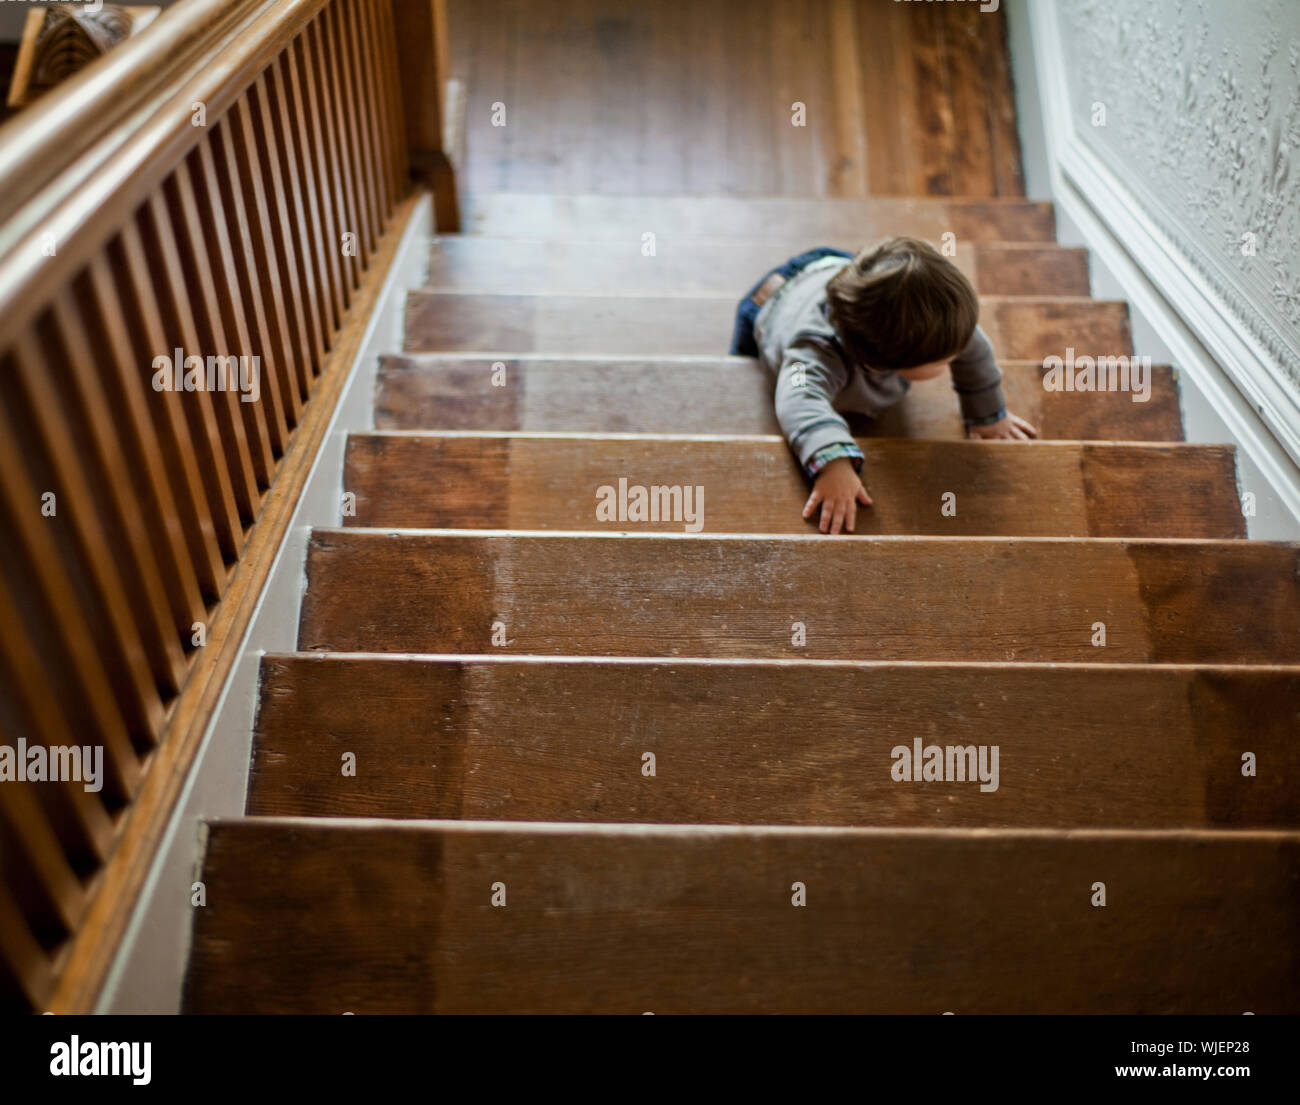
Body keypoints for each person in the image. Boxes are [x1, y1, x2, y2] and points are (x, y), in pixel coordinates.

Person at [732, 237, 1038, 534]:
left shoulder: (937, 327)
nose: (963, 352)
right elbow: (798, 397)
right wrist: (833, 463)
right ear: (876, 365)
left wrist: (989, 417)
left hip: (838, 269)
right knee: (745, 377)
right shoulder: (812, 354)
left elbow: (974, 349)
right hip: (767, 305)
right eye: (946, 360)